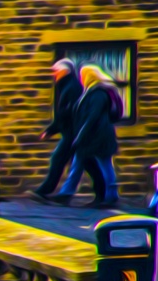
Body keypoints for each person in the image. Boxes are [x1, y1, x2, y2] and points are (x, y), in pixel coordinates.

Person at [53, 64, 124, 208]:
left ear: (89, 76)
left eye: (83, 75)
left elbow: (92, 117)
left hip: (98, 137)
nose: (81, 78)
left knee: (105, 165)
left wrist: (81, 135)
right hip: (87, 137)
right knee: (77, 165)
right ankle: (65, 193)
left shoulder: (98, 93)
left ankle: (111, 196)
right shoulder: (89, 92)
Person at [30, 58, 83, 203]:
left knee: (60, 159)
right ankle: (104, 194)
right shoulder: (67, 86)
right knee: (85, 163)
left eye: (56, 71)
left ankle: (45, 191)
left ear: (65, 71)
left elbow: (66, 112)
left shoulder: (71, 87)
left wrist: (51, 129)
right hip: (71, 132)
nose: (54, 74)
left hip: (73, 132)